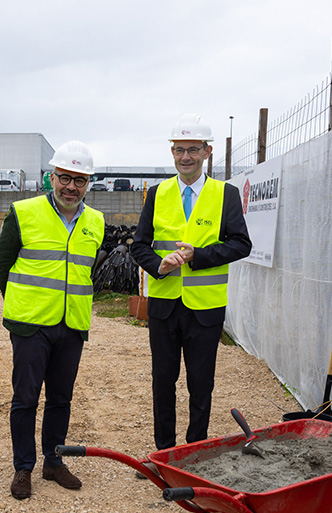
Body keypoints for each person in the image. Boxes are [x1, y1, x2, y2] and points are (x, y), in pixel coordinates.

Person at [130, 114, 251, 469]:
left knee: (201, 385)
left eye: (193, 150)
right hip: (165, 306)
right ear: (172, 152)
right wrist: (158, 264)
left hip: (205, 309)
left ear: (206, 151)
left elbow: (241, 244)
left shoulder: (224, 194)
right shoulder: (157, 194)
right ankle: (164, 455)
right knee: (162, 382)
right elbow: (139, 246)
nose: (186, 156)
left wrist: (199, 257)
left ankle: (194, 454)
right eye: (180, 150)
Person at [0, 141, 105, 500]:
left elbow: (89, 270)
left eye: (80, 180)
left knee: (61, 398)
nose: (71, 187)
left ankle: (53, 462)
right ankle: (23, 466)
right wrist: (20, 303)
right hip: (30, 325)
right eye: (65, 178)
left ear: (89, 183)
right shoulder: (23, 212)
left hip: (72, 324)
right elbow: (2, 264)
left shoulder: (96, 222)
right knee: (25, 398)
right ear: (51, 177)